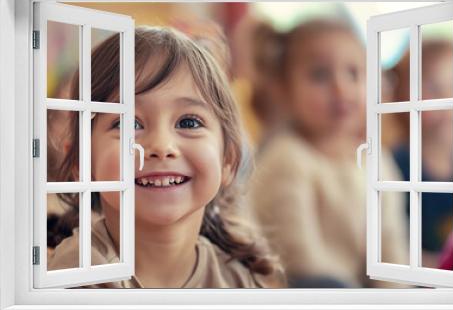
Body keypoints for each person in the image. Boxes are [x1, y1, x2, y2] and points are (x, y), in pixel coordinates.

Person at [48, 26, 283, 288]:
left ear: (228, 158)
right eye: (128, 124)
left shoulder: (241, 280)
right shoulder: (74, 277)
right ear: (83, 161)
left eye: (189, 122)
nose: (161, 145)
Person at [247, 18, 409, 288]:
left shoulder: (376, 158)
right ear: (284, 89)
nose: (340, 88)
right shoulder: (286, 158)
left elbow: (391, 243)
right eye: (320, 75)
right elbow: (299, 257)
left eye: (354, 73)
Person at [389, 39, 453, 269]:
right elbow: (391, 247)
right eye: (435, 89)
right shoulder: (395, 165)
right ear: (405, 97)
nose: (448, 99)